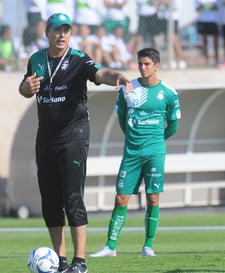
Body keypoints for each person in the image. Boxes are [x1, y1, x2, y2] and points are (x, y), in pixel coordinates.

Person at [18, 13, 132, 273]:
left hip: (74, 135)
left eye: (66, 30)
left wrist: (118, 77)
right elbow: (25, 89)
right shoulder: (36, 59)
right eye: (57, 30)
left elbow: (100, 72)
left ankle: (80, 261)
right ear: (47, 33)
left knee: (72, 198)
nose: (62, 35)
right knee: (50, 201)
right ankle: (60, 261)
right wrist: (26, 86)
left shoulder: (78, 59)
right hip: (45, 137)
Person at [90, 47, 181, 258]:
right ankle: (110, 247)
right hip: (131, 153)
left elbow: (173, 126)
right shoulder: (128, 88)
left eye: (147, 64)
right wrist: (133, 138)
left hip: (155, 153)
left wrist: (156, 140)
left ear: (157, 66)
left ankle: (148, 245)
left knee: (153, 198)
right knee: (121, 198)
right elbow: (122, 119)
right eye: (140, 63)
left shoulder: (168, 93)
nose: (143, 67)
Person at [195, 0, 220, 67]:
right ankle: (206, 59)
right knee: (204, 41)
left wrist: (210, 6)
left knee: (215, 41)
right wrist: (203, 6)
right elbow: (196, 8)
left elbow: (218, 7)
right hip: (202, 20)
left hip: (213, 20)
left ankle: (217, 59)